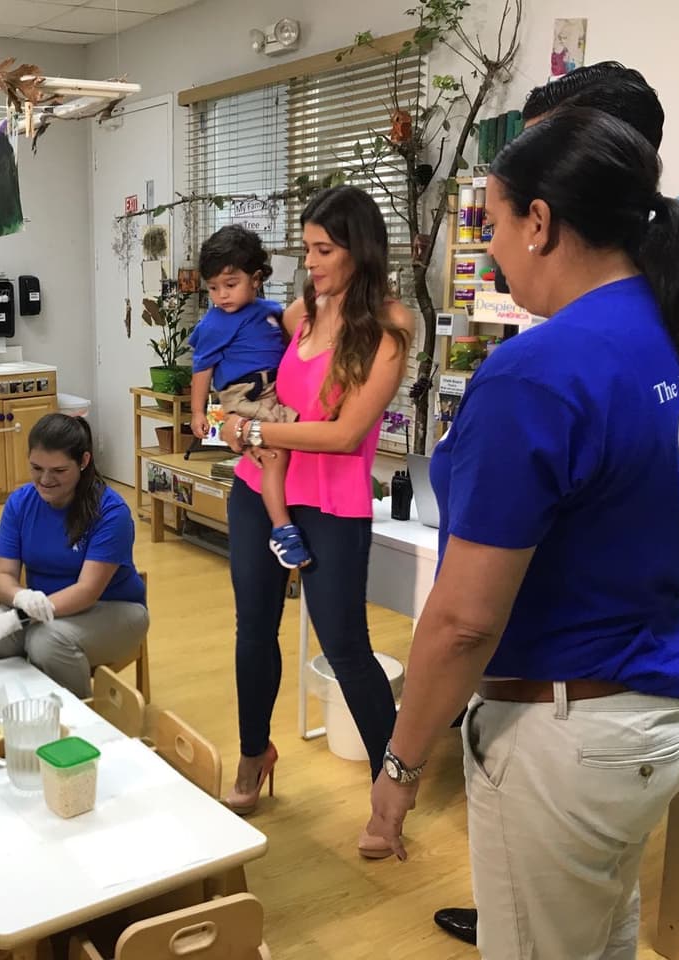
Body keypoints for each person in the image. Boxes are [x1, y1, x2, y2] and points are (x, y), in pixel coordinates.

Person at [367, 109, 679, 960]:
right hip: (661, 706)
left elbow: (462, 622)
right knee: (604, 936)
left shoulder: (539, 371)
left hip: (571, 733)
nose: (488, 249)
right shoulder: (677, 329)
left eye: (491, 224)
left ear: (541, 221)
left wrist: (400, 772)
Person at [216, 185, 413, 827]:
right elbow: (252, 361)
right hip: (259, 490)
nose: (311, 263)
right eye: (306, 249)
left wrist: (255, 432)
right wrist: (227, 411)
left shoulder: (390, 326)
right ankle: (253, 754)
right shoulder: (302, 311)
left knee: (346, 645)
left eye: (324, 249)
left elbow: (345, 435)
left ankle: (392, 792)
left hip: (330, 503)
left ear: (360, 249)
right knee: (253, 628)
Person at [0, 413, 148, 698]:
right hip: (43, 607)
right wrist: (21, 598)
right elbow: (2, 577)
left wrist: (19, 616)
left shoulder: (111, 512)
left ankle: (79, 720)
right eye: (36, 467)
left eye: (58, 470)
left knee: (47, 642)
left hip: (113, 609)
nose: (45, 479)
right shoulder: (20, 503)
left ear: (83, 462)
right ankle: (19, 707)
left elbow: (87, 591)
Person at [188, 225, 308, 568]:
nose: (221, 296)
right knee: (275, 453)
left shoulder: (269, 311)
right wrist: (198, 412)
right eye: (213, 288)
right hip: (242, 394)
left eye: (230, 285)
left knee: (285, 445)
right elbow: (201, 369)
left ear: (256, 279)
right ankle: (282, 528)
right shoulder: (213, 324)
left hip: (270, 390)